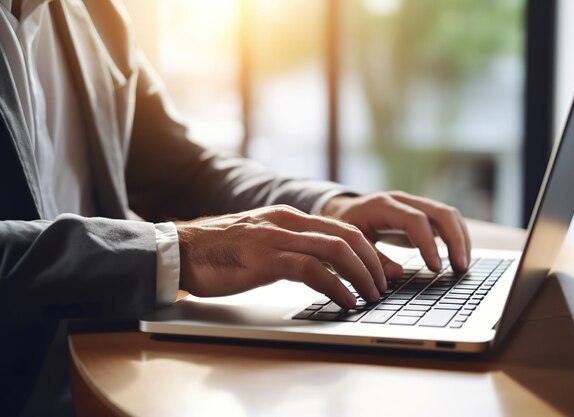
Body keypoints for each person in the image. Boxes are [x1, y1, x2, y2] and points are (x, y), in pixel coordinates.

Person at [0, 0, 471, 415]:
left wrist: (329, 207)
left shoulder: (94, 12)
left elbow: (180, 170)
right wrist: (181, 252)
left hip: (112, 368)